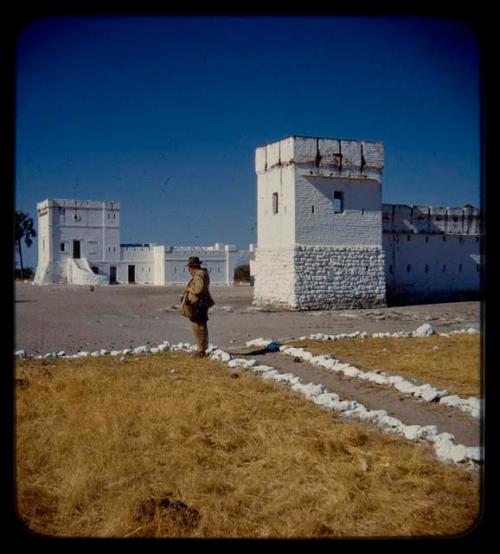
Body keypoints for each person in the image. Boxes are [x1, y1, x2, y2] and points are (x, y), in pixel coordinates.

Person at [180, 256, 215, 358]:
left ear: (192, 267)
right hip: (201, 304)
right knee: (201, 326)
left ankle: (201, 351)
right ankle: (202, 349)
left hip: (198, 305)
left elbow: (198, 289)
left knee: (198, 327)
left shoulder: (199, 275)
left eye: (189, 267)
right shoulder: (202, 274)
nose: (188, 270)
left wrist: (189, 289)